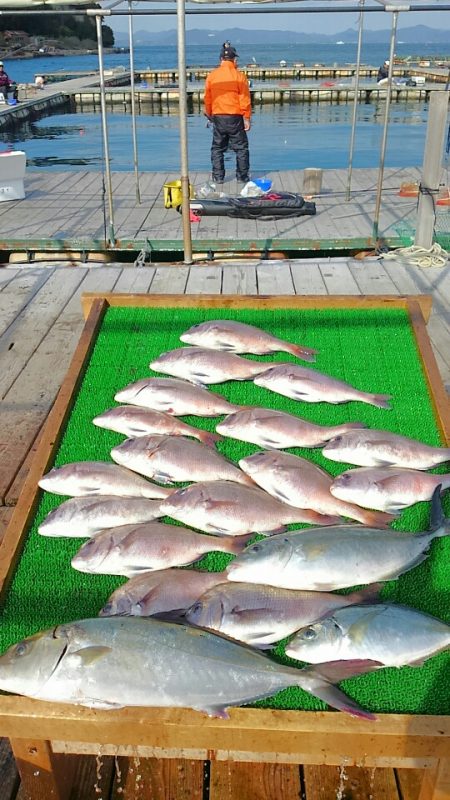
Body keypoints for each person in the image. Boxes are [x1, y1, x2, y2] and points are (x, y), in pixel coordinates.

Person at [204, 41, 251, 186]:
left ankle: (218, 177)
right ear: (234, 60)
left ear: (221, 60)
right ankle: (242, 177)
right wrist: (247, 117)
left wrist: (209, 114)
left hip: (218, 115)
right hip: (235, 116)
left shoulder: (212, 76)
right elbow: (244, 98)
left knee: (217, 147)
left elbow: (208, 97)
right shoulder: (239, 76)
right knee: (241, 148)